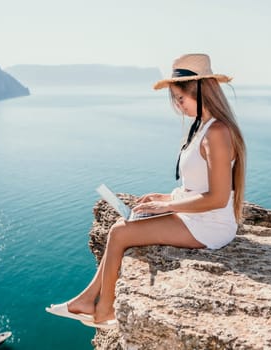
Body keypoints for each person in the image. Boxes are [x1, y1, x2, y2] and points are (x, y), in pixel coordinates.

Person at [46, 53, 246, 329]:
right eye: (175, 99)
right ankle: (87, 299)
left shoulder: (217, 133)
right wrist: (163, 197)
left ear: (201, 91)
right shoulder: (202, 127)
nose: (178, 105)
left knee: (120, 232)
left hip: (210, 225)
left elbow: (218, 198)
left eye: (180, 98)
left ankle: (104, 311)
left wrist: (169, 207)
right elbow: (197, 187)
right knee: (122, 222)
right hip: (198, 217)